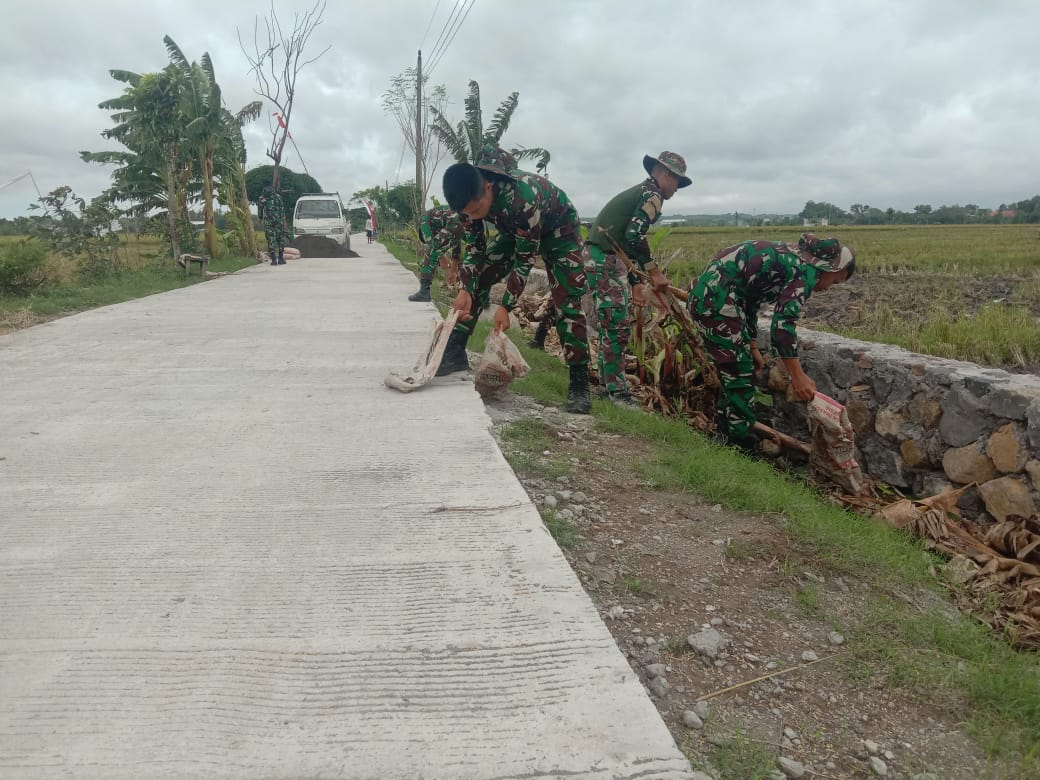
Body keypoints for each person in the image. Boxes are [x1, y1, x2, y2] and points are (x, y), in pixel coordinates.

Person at [440, 144, 592, 414]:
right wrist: (465, 288)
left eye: (476, 210)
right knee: (482, 273)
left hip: (559, 231)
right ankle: (454, 353)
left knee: (567, 301)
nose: (472, 217)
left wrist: (505, 306)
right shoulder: (468, 202)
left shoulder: (523, 197)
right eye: (467, 214)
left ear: (488, 187)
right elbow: (476, 250)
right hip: (515, 230)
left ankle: (579, 383)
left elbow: (525, 259)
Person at [687, 233, 856, 452]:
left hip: (714, 299)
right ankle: (740, 446)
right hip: (716, 303)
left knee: (734, 372)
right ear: (830, 269)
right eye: (834, 281)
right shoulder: (805, 273)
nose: (827, 288)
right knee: (739, 373)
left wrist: (753, 345)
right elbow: (782, 326)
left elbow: (750, 300)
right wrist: (797, 376)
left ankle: (725, 438)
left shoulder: (787, 257)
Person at [584, 151, 692, 405]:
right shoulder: (652, 194)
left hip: (605, 258)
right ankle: (617, 393)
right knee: (617, 326)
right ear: (665, 173)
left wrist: (634, 283)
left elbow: (626, 243)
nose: (677, 188)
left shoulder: (644, 191)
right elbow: (635, 236)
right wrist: (654, 272)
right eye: (677, 181)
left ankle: (608, 386)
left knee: (612, 325)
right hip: (605, 259)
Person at [408, 206, 467, 302]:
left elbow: (431, 243)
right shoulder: (442, 224)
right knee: (475, 250)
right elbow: (456, 250)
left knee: (430, 253)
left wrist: (444, 263)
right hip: (465, 221)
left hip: (454, 222)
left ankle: (424, 292)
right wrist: (452, 272)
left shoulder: (424, 220)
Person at [258, 183, 290, 265]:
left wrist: (260, 221)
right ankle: (280, 259)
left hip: (268, 223)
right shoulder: (278, 197)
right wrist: (284, 223)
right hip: (278, 221)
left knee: (270, 240)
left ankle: (273, 260)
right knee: (280, 239)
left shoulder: (261, 198)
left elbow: (260, 213)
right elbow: (282, 211)